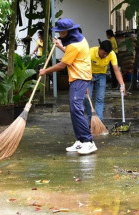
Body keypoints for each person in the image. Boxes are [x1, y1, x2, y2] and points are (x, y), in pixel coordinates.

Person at [39, 18, 97, 155]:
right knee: (74, 109)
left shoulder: (74, 45)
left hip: (79, 78)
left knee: (76, 109)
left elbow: (62, 65)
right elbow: (72, 55)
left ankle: (88, 142)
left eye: (60, 32)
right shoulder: (79, 39)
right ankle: (80, 141)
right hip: (81, 77)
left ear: (67, 31)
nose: (59, 34)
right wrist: (60, 46)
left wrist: (45, 71)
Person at [85, 40, 125, 122]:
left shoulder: (112, 54)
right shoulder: (90, 52)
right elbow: (83, 67)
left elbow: (116, 70)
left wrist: (122, 85)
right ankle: (91, 119)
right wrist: (85, 81)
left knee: (100, 98)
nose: (105, 56)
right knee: (86, 98)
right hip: (89, 75)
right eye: (103, 53)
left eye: (107, 54)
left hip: (101, 76)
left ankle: (99, 121)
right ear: (99, 49)